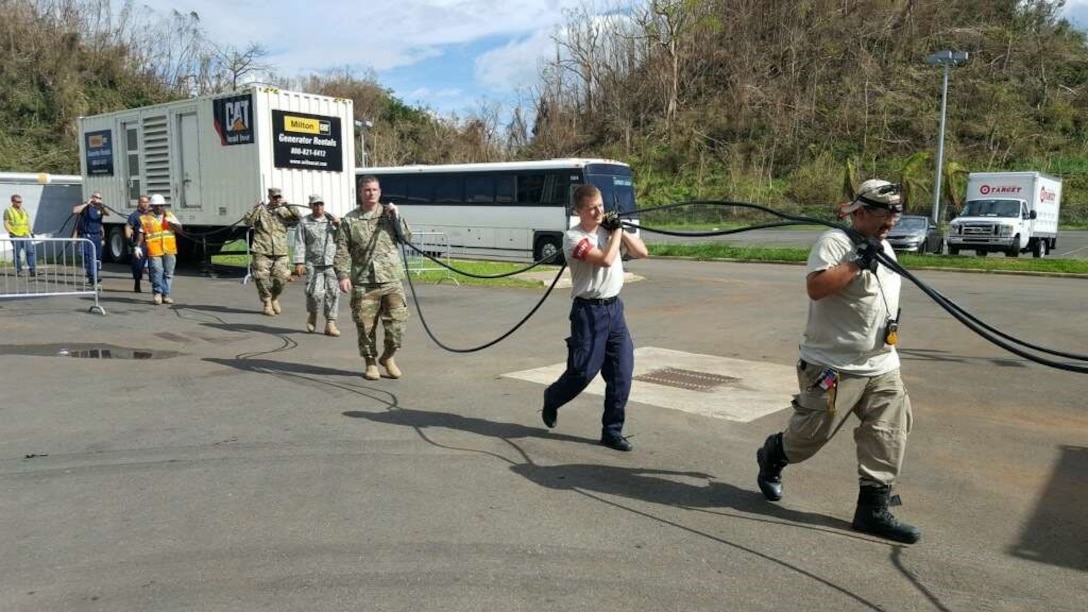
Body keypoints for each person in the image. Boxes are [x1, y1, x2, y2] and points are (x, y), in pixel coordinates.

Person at [755, 178, 921, 544]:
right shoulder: (835, 243)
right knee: (809, 437)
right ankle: (774, 454)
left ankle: (872, 510)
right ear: (860, 213)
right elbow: (816, 288)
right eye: (883, 217)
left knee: (890, 432)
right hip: (832, 367)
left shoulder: (883, 245)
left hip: (881, 364)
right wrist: (856, 262)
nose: (890, 224)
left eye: (894, 216)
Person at [540, 184, 648, 452]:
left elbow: (641, 253)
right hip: (588, 312)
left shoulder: (608, 229)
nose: (599, 211)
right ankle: (552, 398)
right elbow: (604, 260)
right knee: (583, 371)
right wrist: (617, 233)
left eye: (600, 205)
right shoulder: (573, 238)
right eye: (592, 208)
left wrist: (619, 228)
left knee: (622, 372)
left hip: (614, 310)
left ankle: (612, 430)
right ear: (579, 211)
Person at [334, 175, 411, 380]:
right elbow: (341, 251)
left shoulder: (388, 215)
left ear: (380, 191)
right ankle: (370, 363)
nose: (371, 193)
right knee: (365, 327)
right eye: (367, 190)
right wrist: (342, 275)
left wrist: (397, 217)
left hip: (391, 280)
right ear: (361, 192)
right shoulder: (349, 220)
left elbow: (405, 238)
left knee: (398, 325)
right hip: (364, 282)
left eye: (375, 190)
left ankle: (388, 356)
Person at [243, 187, 301, 316]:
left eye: (279, 197)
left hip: (280, 251)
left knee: (282, 278)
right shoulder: (261, 210)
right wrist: (256, 208)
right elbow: (247, 221)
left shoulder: (284, 211)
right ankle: (267, 302)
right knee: (261, 278)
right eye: (274, 197)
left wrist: (290, 207)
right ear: (269, 197)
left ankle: (274, 297)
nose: (277, 199)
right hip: (262, 250)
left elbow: (297, 220)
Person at [293, 194, 341, 337]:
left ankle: (330, 323)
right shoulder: (304, 222)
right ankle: (313, 314)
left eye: (321, 204)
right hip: (313, 263)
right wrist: (299, 262)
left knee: (333, 293)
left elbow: (342, 238)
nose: (319, 207)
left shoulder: (331, 220)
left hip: (331, 262)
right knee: (314, 293)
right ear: (310, 206)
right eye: (315, 204)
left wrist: (339, 225)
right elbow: (299, 242)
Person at [137, 194, 182, 305]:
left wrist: (173, 224)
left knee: (168, 273)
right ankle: (157, 293)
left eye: (161, 206)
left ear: (163, 206)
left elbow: (180, 230)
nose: (158, 208)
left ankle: (165, 295)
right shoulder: (146, 218)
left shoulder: (170, 216)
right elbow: (141, 233)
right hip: (155, 250)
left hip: (169, 249)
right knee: (157, 271)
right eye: (156, 206)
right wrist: (137, 246)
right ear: (152, 206)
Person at [72, 191, 109, 285]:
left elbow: (104, 218)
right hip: (88, 235)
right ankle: (93, 276)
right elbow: (75, 211)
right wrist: (86, 203)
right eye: (96, 197)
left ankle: (93, 275)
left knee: (97, 257)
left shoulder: (99, 208)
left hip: (97, 236)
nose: (98, 199)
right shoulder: (86, 207)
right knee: (90, 256)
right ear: (92, 197)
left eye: (100, 198)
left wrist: (103, 238)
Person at [4, 194, 37, 277]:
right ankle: (19, 271)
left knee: (30, 252)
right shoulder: (8, 210)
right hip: (15, 235)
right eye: (18, 202)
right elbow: (6, 223)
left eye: (21, 202)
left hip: (25, 234)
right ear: (13, 202)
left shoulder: (24, 210)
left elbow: (27, 223)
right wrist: (11, 232)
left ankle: (32, 270)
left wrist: (31, 232)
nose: (20, 203)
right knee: (17, 254)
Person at [125, 195, 152, 292]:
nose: (145, 204)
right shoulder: (134, 215)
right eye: (143, 202)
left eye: (147, 202)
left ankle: (155, 285)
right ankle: (137, 282)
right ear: (139, 203)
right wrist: (129, 240)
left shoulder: (152, 214)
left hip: (152, 242)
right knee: (138, 265)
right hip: (140, 244)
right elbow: (128, 227)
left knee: (154, 265)